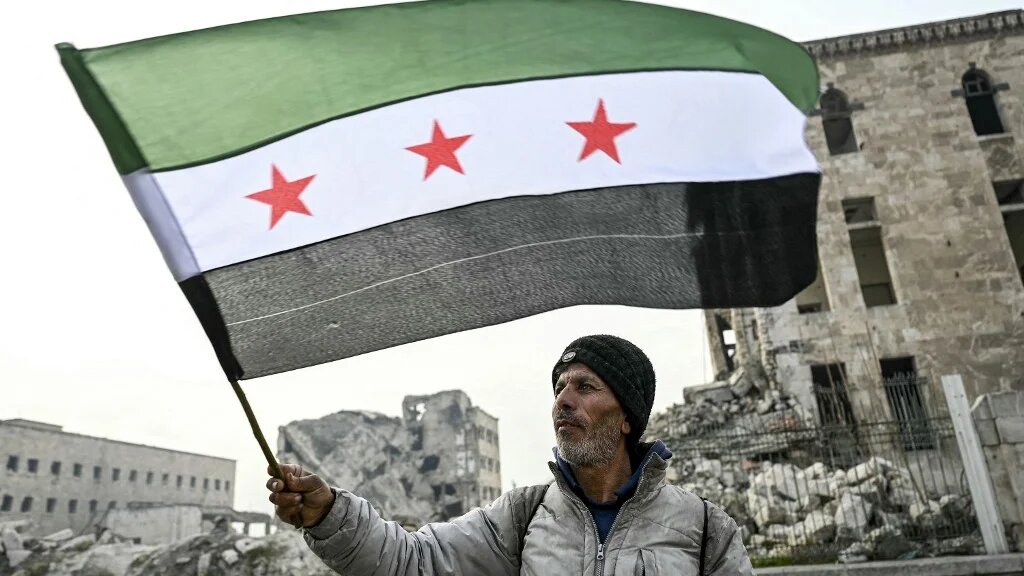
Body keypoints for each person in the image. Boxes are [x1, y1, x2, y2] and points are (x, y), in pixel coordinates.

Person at [267, 335, 753, 575]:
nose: (564, 400)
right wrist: (330, 514)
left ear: (627, 416)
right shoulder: (521, 517)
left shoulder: (706, 529)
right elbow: (415, 560)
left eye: (586, 387)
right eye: (561, 388)